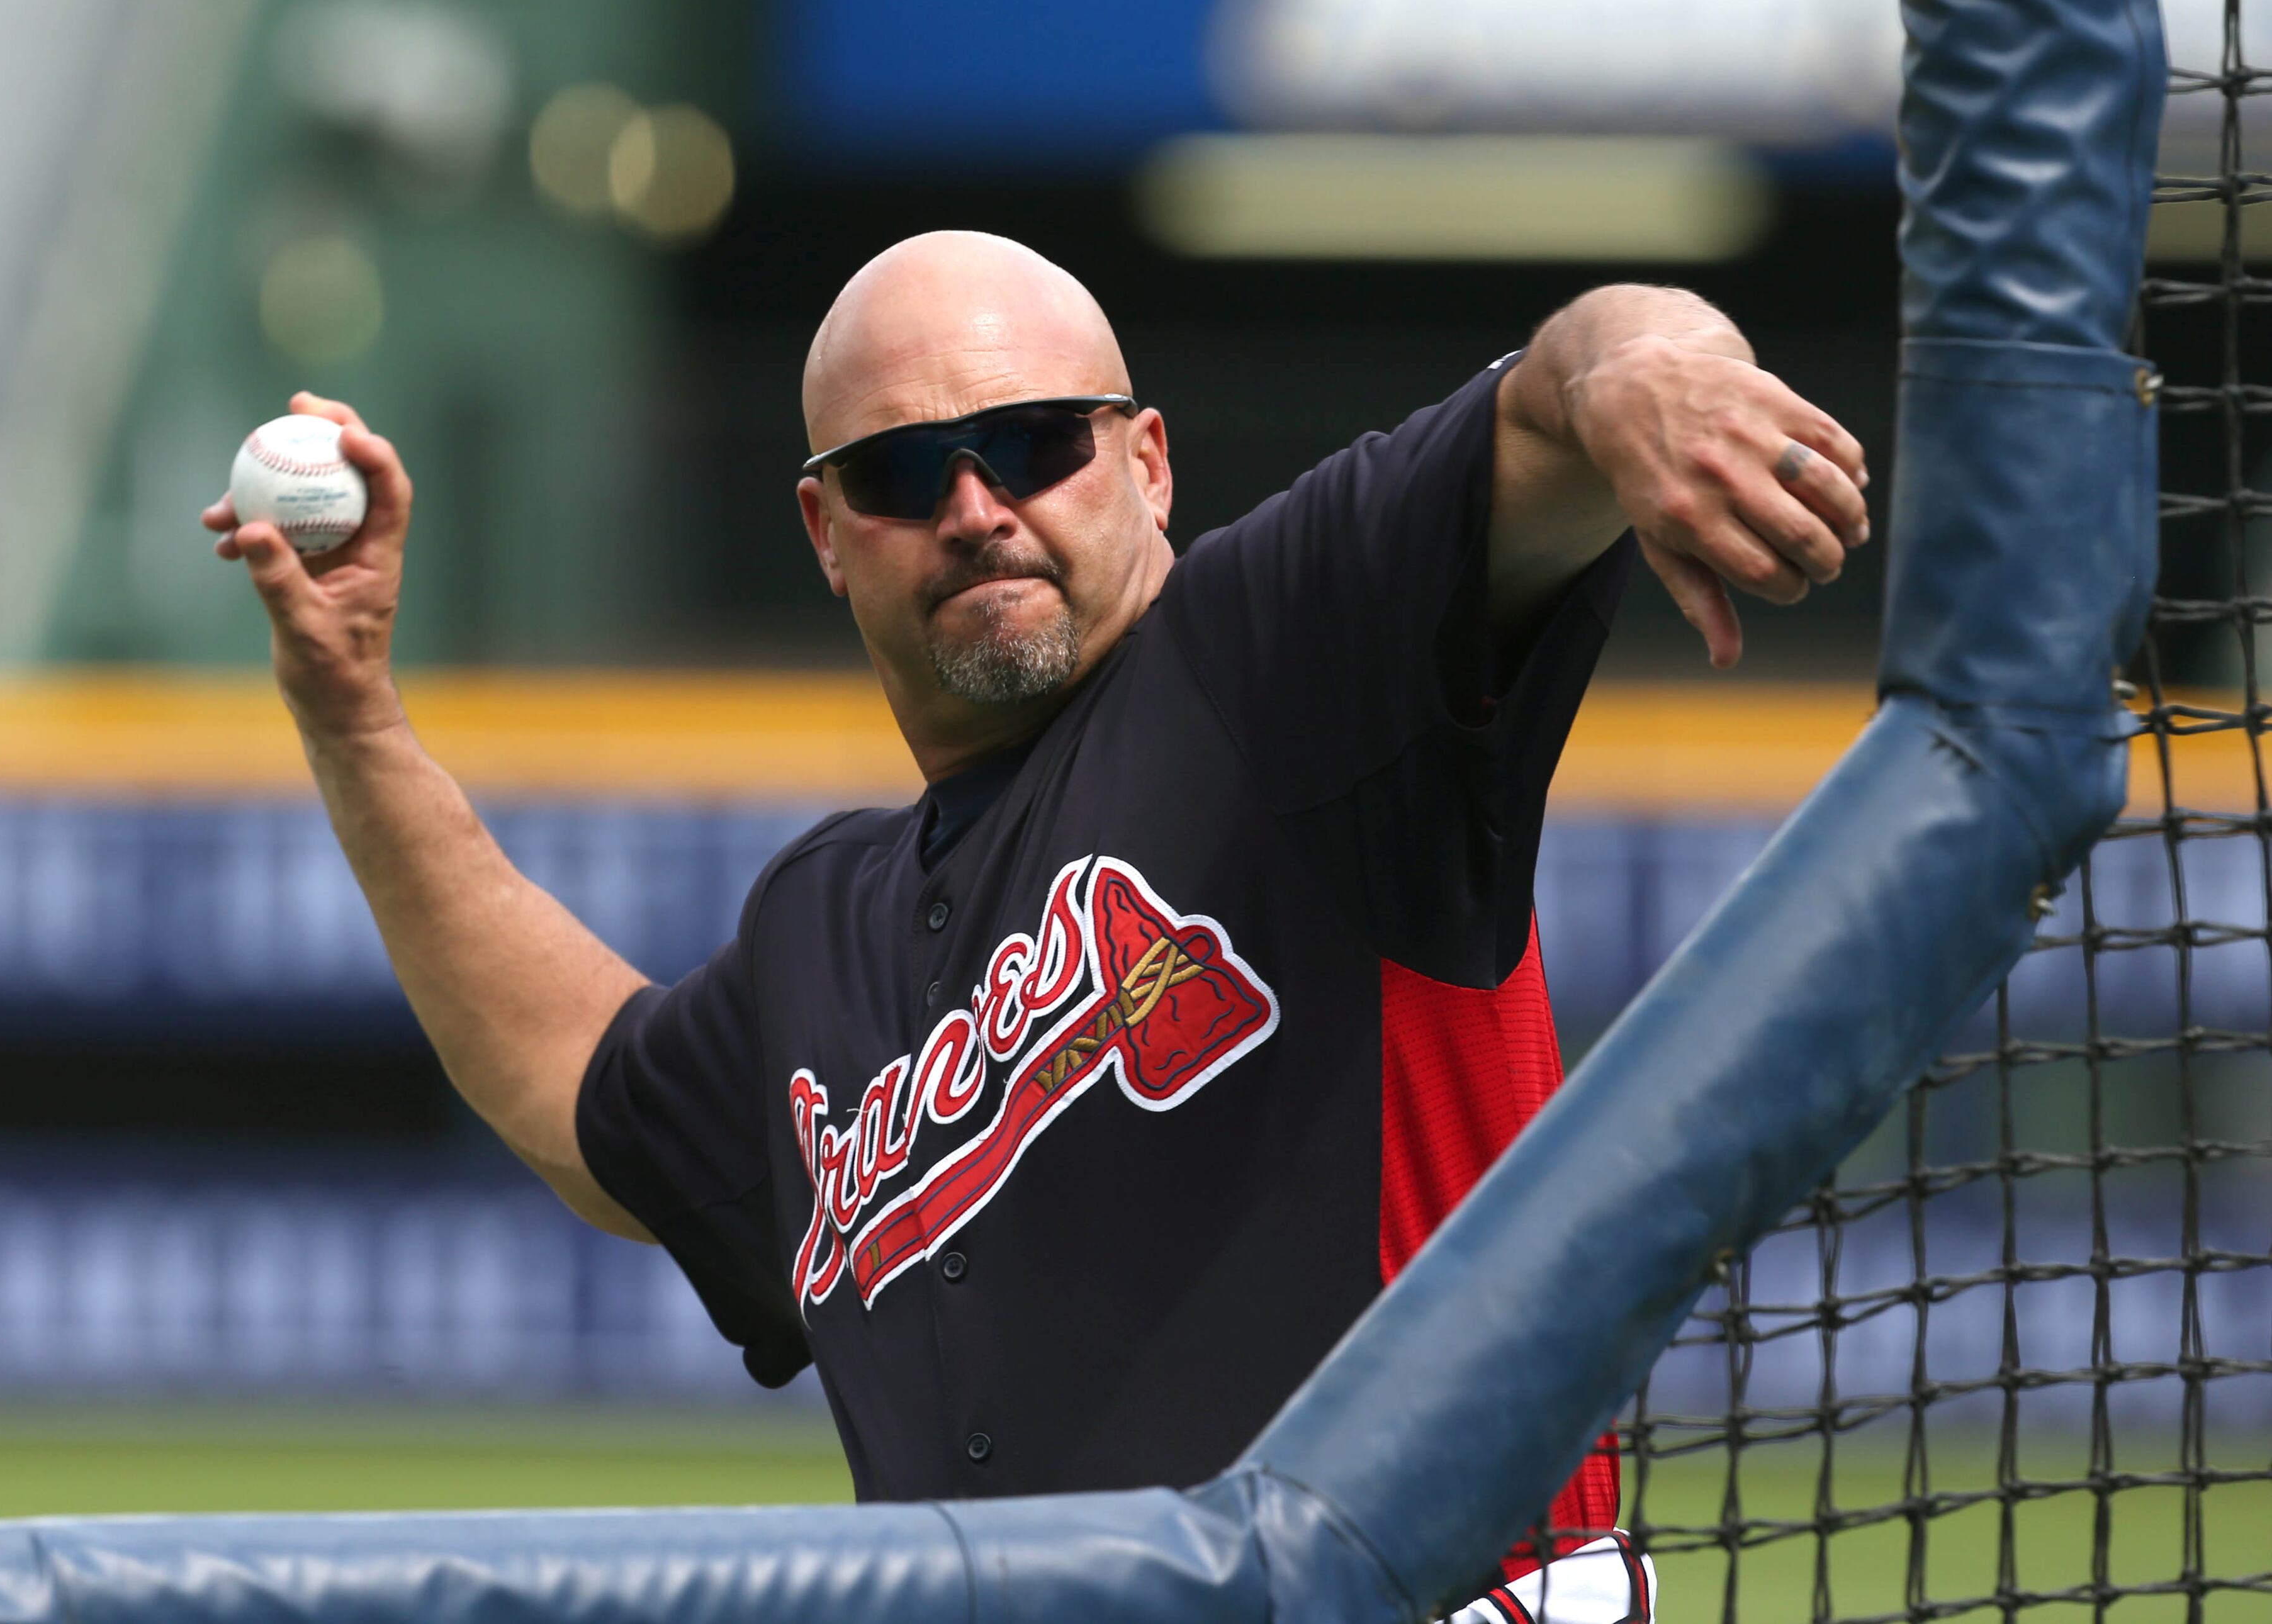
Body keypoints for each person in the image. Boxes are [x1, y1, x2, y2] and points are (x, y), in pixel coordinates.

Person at [203, 231, 1867, 1618]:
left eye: (1036, 443)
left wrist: (1650, 370)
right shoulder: (821, 935)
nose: (979, 504)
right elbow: (581, 1093)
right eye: (904, 472)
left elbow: (1571, 379)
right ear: (827, 533)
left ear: (1145, 462)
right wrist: (353, 719)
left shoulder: (1283, 662)